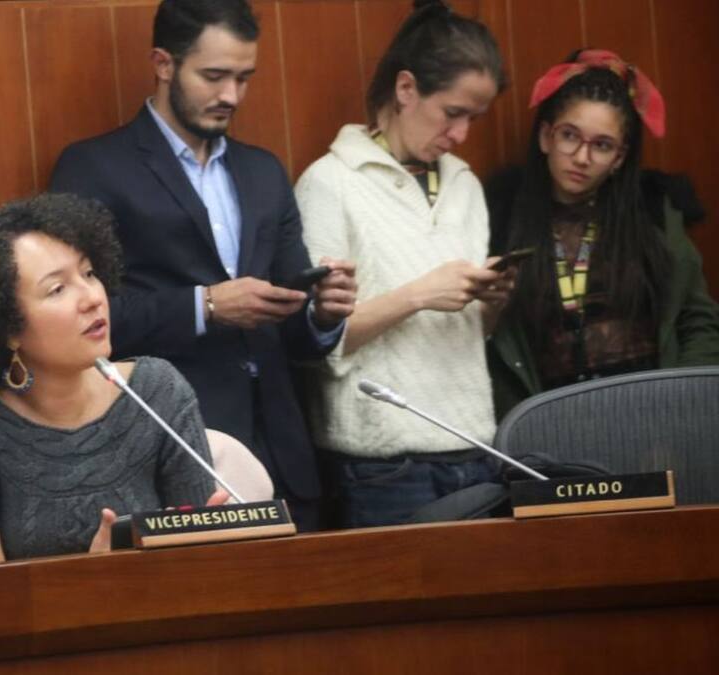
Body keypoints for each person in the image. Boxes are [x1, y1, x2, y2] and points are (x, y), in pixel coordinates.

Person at [48, 0, 357, 531]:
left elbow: (294, 331)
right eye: (214, 76)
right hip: (171, 452)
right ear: (163, 64)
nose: (231, 95)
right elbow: (79, 322)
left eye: (243, 78)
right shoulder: (94, 167)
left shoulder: (264, 172)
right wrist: (206, 306)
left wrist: (323, 314)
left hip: (283, 456)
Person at [293, 0, 508, 528]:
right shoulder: (329, 183)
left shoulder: (465, 184)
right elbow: (322, 344)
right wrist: (419, 294)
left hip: (474, 444)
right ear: (406, 88)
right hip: (381, 464)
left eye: (473, 118)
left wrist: (493, 303)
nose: (461, 134)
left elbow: (473, 336)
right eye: (452, 113)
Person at [0, 194, 224, 561]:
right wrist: (89, 581)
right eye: (57, 289)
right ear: (6, 327)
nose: (92, 298)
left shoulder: (157, 392)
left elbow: (207, 565)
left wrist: (200, 550)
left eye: (89, 273)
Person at [485, 50, 719, 418]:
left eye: (602, 145)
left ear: (619, 158)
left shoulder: (655, 215)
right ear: (546, 136)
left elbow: (698, 319)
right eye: (569, 136)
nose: (582, 157)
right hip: (548, 423)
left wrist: (682, 404)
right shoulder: (501, 220)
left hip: (654, 415)